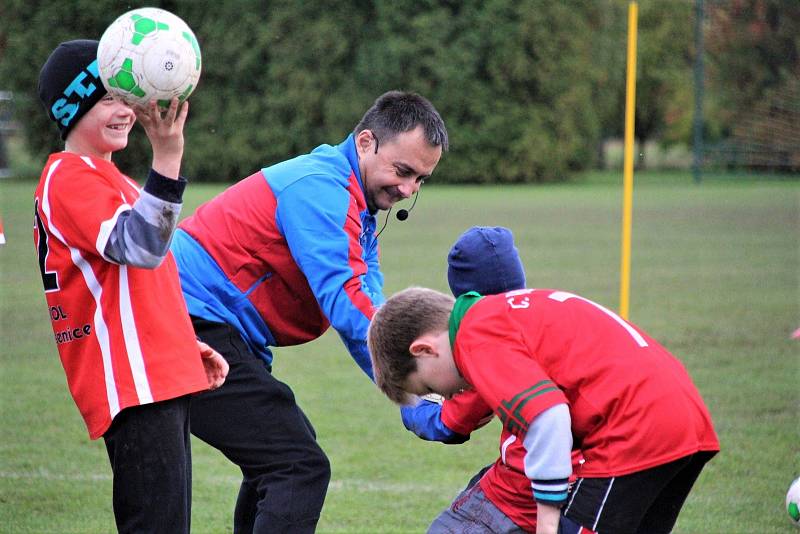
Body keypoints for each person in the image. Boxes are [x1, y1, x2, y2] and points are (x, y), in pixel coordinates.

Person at [169, 90, 448, 532]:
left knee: (282, 460)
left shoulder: (357, 208)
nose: (409, 189)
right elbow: (349, 303)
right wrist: (422, 388)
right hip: (185, 321)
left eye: (421, 179)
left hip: (206, 324)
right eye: (403, 170)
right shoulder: (320, 189)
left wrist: (409, 397)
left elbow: (371, 321)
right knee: (296, 465)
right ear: (365, 143)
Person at [33, 39, 228, 534]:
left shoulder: (108, 177)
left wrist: (184, 345)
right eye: (108, 100)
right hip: (131, 384)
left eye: (128, 99)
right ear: (70, 106)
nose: (125, 112)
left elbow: (139, 280)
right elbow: (140, 246)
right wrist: (169, 153)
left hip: (154, 376)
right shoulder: (69, 177)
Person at [368, 286, 720, 534]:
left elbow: (547, 416)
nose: (447, 394)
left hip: (633, 432)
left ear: (424, 350)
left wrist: (547, 523)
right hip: (687, 423)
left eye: (429, 388)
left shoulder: (475, 338)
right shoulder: (501, 311)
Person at [402, 226, 584, 534]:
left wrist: (410, 400)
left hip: (544, 474)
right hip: (600, 462)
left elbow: (447, 424)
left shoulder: (487, 339)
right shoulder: (542, 314)